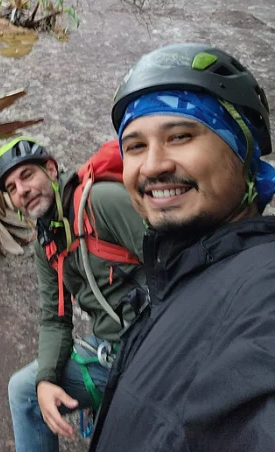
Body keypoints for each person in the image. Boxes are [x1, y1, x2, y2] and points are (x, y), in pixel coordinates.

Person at [90, 42, 275, 452]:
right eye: (135, 146)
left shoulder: (264, 286)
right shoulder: (179, 276)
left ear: (243, 151)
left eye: (180, 136)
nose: (154, 165)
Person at [0, 137, 147, 452]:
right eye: (11, 188)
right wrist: (46, 379)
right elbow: (54, 317)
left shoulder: (100, 202)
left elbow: (175, 262)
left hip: (155, 346)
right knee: (24, 389)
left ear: (50, 169)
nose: (21, 191)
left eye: (27, 176)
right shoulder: (46, 244)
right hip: (110, 353)